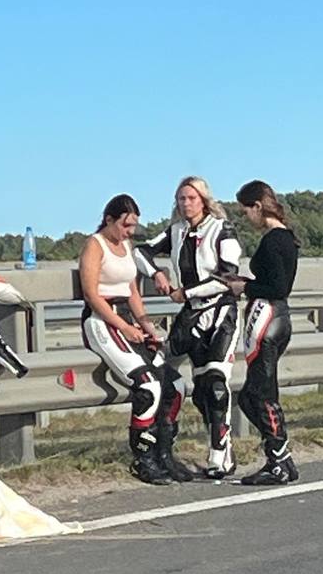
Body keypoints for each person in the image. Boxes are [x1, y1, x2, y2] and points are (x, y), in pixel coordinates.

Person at [134, 177, 243, 478]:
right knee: (195, 388)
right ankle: (163, 447)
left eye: (192, 198)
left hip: (220, 311)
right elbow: (140, 251)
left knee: (216, 383)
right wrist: (156, 273)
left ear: (204, 200)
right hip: (190, 314)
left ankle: (220, 454)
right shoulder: (176, 231)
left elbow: (228, 276)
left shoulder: (222, 229)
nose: (186, 204)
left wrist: (187, 292)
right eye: (181, 199)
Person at [80, 195, 193, 484]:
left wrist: (146, 326)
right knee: (148, 386)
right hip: (103, 320)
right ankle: (143, 458)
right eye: (125, 225)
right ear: (109, 220)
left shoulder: (127, 246)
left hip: (128, 320)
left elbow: (132, 292)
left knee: (175, 386)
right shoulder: (95, 245)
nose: (129, 231)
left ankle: (165, 453)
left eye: (133, 226)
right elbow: (92, 295)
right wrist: (123, 326)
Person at [224, 180, 300, 485]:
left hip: (268, 317)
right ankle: (280, 457)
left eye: (246, 211)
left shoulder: (273, 240)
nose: (246, 218)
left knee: (259, 394)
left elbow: (278, 287)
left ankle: (278, 460)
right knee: (254, 394)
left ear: (257, 206)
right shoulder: (287, 237)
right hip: (277, 317)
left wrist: (245, 287)